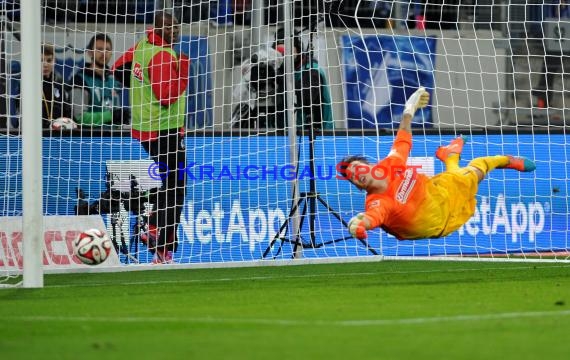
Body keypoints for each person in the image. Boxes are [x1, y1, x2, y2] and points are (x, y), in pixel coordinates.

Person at [338, 87, 537, 241]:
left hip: (441, 194)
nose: (356, 174)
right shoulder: (377, 202)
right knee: (467, 178)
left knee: (478, 169)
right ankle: (450, 156)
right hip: (437, 224)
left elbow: (402, 139)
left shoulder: (390, 164)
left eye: (357, 167)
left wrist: (409, 110)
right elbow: (372, 217)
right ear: (357, 186)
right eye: (352, 177)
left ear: (371, 165)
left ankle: (505, 160)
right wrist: (359, 224)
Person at [112, 11, 190, 264]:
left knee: (171, 183)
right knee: (176, 186)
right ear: (157, 28)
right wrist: (184, 71)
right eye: (168, 27)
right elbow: (167, 96)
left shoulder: (141, 46)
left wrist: (139, 89)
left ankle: (161, 248)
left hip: (145, 129)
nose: (173, 31)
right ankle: (157, 235)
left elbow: (117, 68)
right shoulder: (164, 55)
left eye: (176, 27)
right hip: (164, 128)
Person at [273, 27, 334, 131]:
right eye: (281, 53)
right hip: (287, 135)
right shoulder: (280, 71)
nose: (285, 56)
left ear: (298, 48)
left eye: (288, 50)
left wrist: (279, 77)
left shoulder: (312, 70)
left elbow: (304, 98)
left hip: (318, 136)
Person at [71, 33, 128, 127]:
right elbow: (79, 117)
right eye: (99, 49)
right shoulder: (79, 80)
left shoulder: (113, 80)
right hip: (89, 139)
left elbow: (117, 115)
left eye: (107, 49)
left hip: (113, 138)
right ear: (90, 52)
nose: (104, 53)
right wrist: (111, 116)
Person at [35, 43, 73, 129]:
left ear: (54, 61)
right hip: (35, 134)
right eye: (41, 60)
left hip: (58, 135)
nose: (45, 64)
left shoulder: (61, 84)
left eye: (49, 60)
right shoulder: (29, 85)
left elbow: (68, 113)